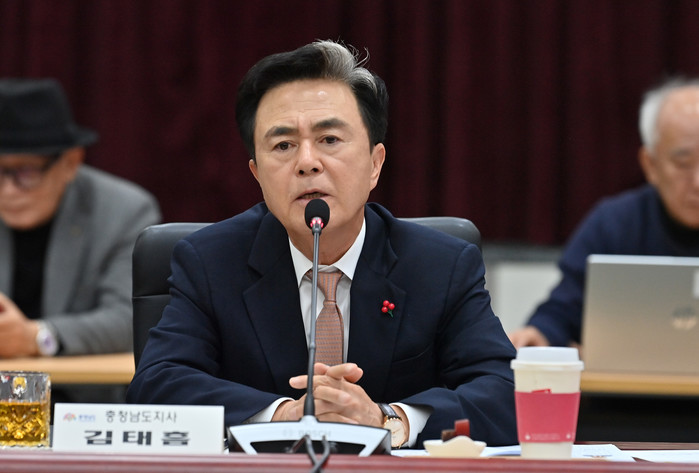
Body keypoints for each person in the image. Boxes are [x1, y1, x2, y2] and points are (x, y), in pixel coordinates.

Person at [127, 40, 516, 448]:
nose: (307, 162)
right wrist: (284, 417)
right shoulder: (211, 262)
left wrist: (390, 420)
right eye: (283, 145)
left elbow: (505, 394)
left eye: (329, 139)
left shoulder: (440, 265)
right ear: (257, 174)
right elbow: (157, 386)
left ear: (375, 164)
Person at [0, 77, 162, 360]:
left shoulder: (125, 212)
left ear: (70, 163)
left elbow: (130, 317)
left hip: (81, 385)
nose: (8, 190)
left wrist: (37, 337)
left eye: (26, 172)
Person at [509, 77, 699, 349]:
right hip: (625, 379)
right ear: (651, 165)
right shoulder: (615, 224)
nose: (697, 182)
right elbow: (563, 309)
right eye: (683, 163)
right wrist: (539, 334)